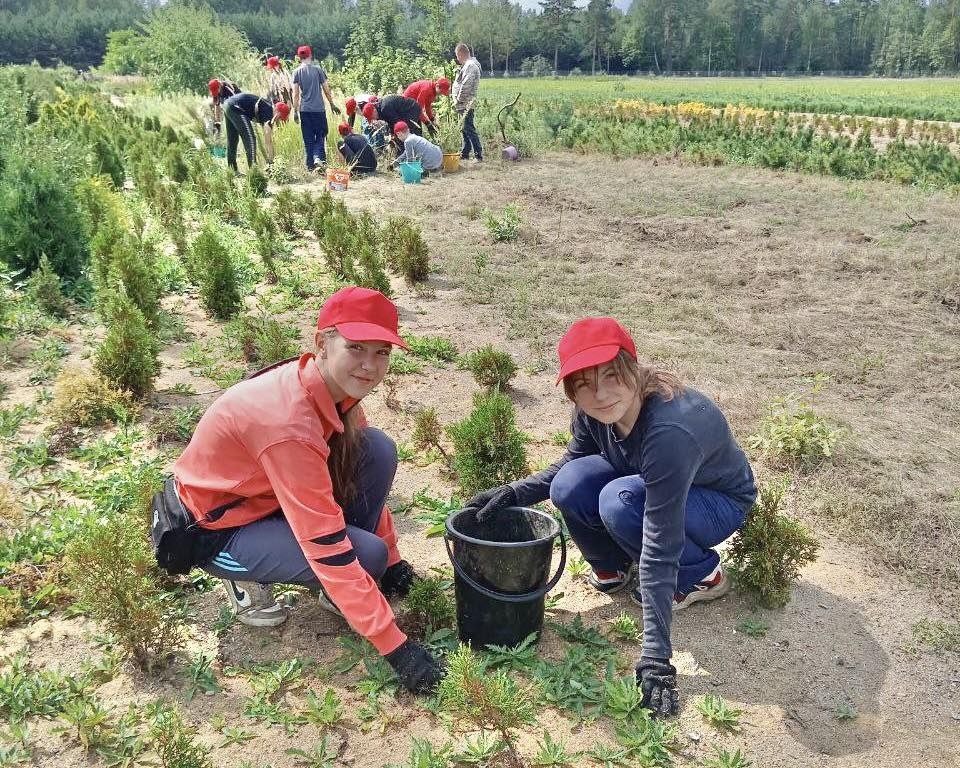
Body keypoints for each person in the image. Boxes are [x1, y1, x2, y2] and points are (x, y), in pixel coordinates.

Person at [464, 317, 757, 716]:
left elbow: (659, 538)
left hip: (717, 501)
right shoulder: (596, 412)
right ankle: (613, 567)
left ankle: (701, 573)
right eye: (583, 383)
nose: (599, 394)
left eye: (610, 375)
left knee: (618, 502)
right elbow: (572, 463)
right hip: (652, 483)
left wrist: (656, 657)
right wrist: (514, 492)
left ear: (632, 368)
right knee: (569, 485)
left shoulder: (671, 428)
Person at [165, 287, 444, 694]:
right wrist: (397, 648)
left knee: (376, 451)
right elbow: (326, 545)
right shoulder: (288, 425)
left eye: (382, 352)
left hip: (266, 497)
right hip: (215, 529)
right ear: (322, 343)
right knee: (366, 557)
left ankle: (338, 590)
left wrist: (396, 561)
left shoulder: (337, 393)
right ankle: (242, 579)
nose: (369, 365)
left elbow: (356, 481)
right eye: (356, 348)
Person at [291, 44, 341, 172]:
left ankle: (310, 166)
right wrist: (332, 104)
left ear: (299, 57)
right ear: (310, 55)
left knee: (308, 137)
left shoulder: (296, 72)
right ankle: (319, 159)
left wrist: (295, 111)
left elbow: (295, 93)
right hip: (318, 109)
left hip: (304, 110)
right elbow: (326, 89)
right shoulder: (318, 70)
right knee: (321, 134)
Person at [222, 93, 290, 173]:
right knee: (250, 138)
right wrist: (271, 162)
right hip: (235, 107)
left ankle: (232, 171)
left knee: (233, 140)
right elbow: (268, 142)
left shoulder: (267, 107)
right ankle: (254, 171)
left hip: (228, 104)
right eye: (280, 118)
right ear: (278, 113)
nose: (279, 121)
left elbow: (267, 138)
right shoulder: (269, 112)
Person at [452, 43, 483, 162]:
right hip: (462, 104)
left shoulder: (470, 66)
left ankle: (478, 154)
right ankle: (465, 152)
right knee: (464, 129)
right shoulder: (467, 65)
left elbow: (466, 85)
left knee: (469, 128)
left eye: (457, 56)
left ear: (460, 54)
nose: (457, 59)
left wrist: (458, 99)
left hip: (465, 103)